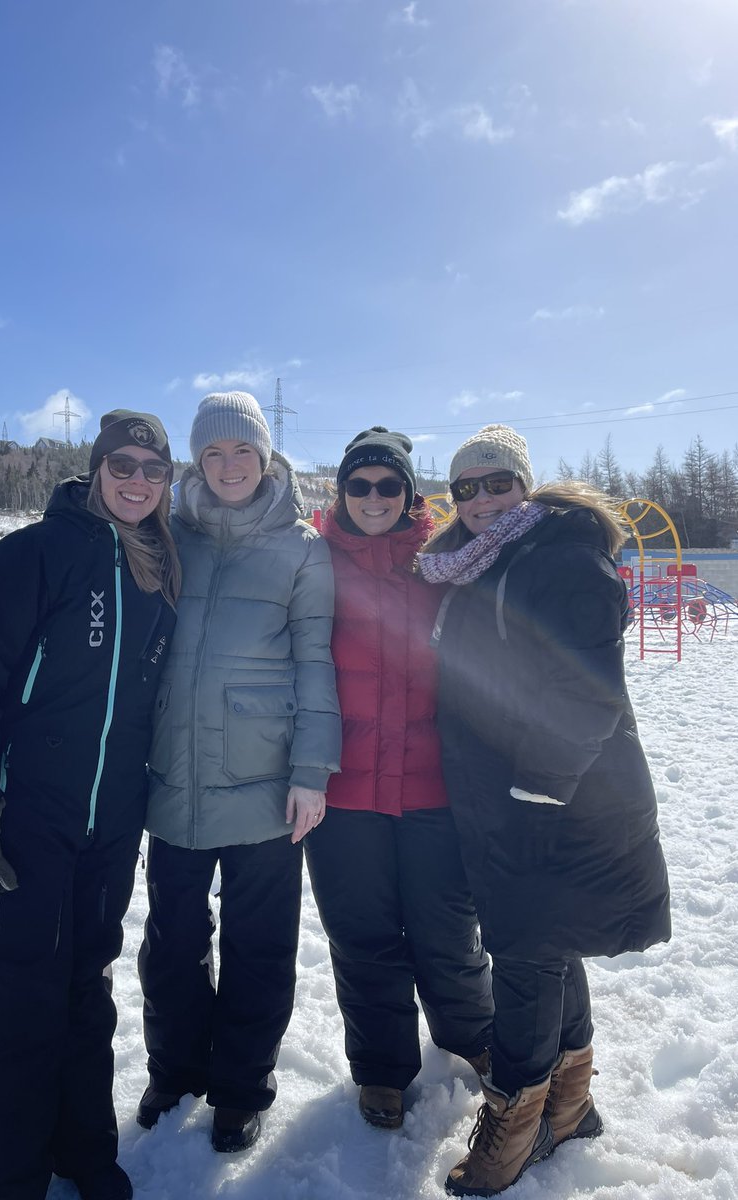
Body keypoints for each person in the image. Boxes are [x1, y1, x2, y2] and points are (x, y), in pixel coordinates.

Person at [417, 425, 671, 1196]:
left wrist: (534, 791)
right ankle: (571, 1106)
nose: (484, 499)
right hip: (512, 796)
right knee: (550, 946)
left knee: (525, 956)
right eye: (467, 489)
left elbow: (582, 692)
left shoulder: (559, 556)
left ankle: (514, 1126)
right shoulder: (484, 562)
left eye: (499, 484)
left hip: (552, 798)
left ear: (526, 486)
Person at [0, 410, 180, 1200]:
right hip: (24, 822)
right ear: (96, 466)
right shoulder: (32, 554)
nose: (138, 479)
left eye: (154, 468)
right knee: (17, 1000)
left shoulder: (159, 570)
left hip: (110, 826)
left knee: (86, 986)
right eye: (124, 463)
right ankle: (5, 1180)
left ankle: (82, 1152)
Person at [137, 391, 341, 1153]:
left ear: (265, 458)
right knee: (172, 940)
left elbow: (317, 665)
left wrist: (313, 769)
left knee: (260, 944)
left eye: (242, 451)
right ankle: (175, 1068)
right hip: (176, 775)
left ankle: (242, 1087)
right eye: (213, 453)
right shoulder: (167, 537)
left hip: (265, 781)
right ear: (197, 460)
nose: (228, 467)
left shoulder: (302, 549)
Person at [304, 427, 494, 1132]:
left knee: (448, 930)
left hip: (433, 789)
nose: (375, 497)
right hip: (344, 792)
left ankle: (473, 1036)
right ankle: (382, 1068)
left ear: (410, 494)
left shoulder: (445, 560)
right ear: (342, 493)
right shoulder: (314, 561)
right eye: (360, 485)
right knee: (363, 936)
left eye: (390, 485)